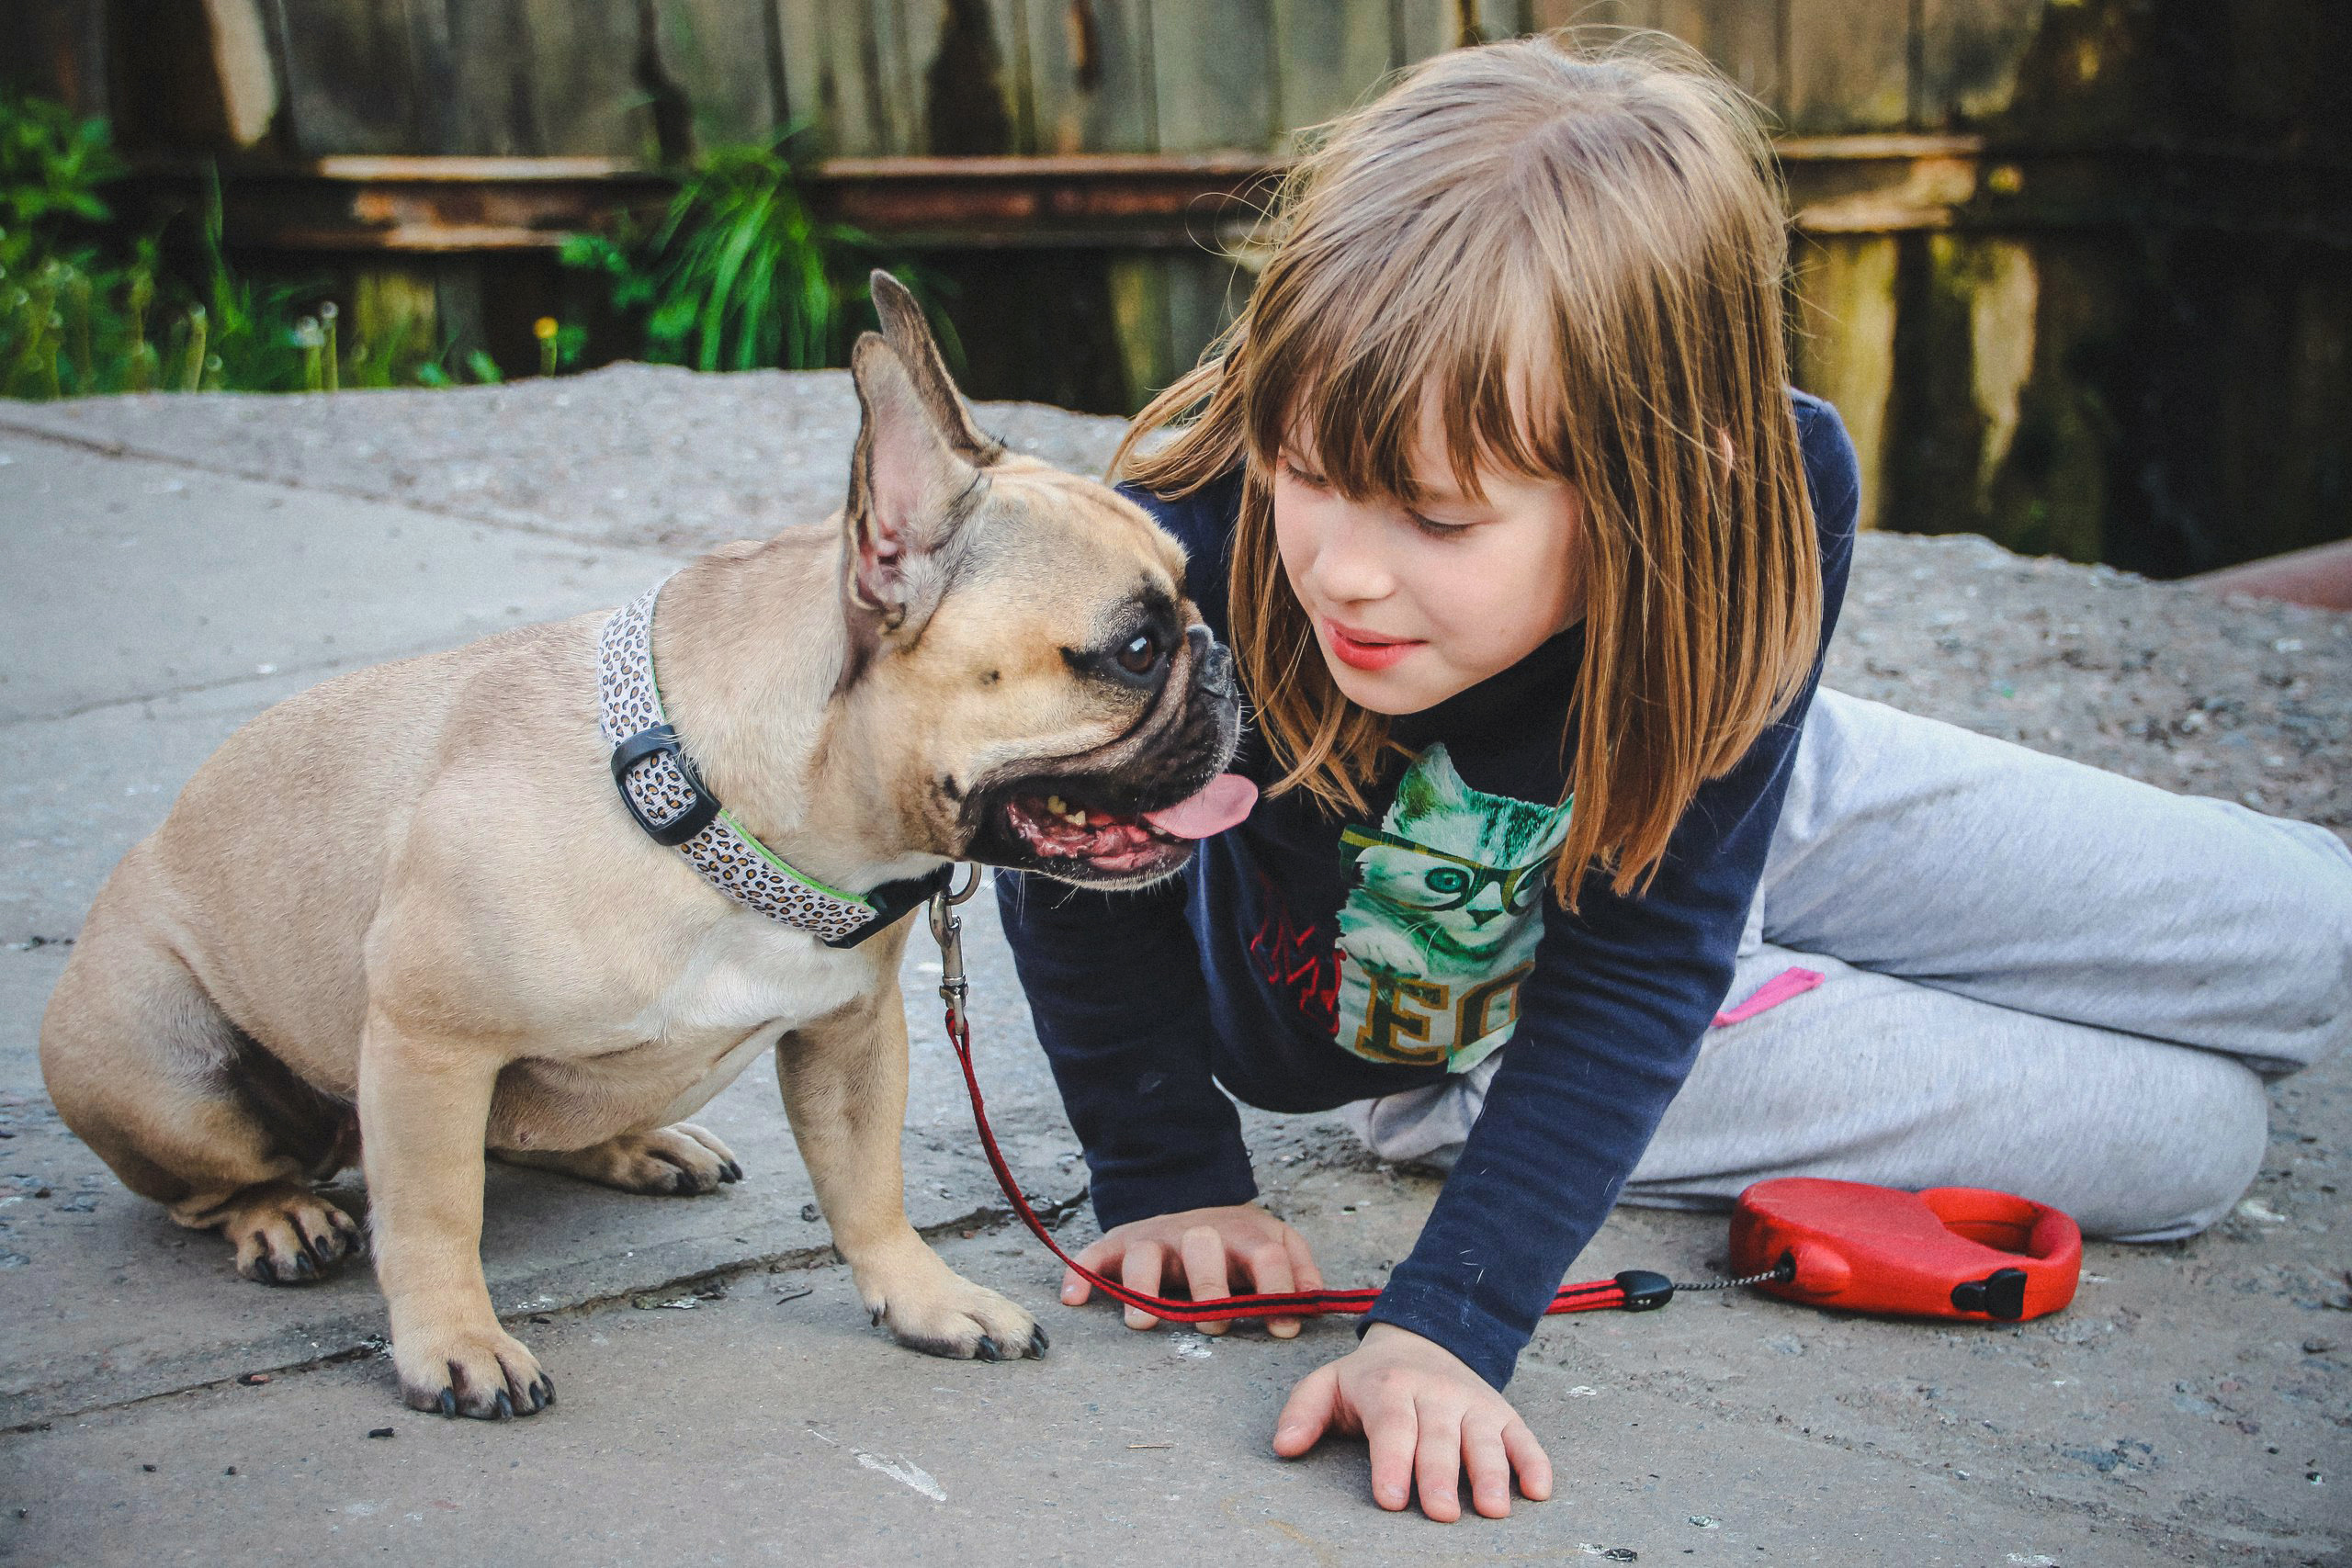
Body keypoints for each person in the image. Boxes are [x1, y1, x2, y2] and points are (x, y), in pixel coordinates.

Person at [993, 31, 2352, 1525]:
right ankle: (1462, 1115)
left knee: (2311, 929)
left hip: (1692, 791)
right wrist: (1195, 1185)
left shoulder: (1773, 487)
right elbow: (1062, 835)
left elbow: (1666, 922)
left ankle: (1804, 976)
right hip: (1452, 985)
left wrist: (1452, 1310)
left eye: (1440, 516)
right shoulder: (1177, 544)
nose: (1346, 572)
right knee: (2196, 1143)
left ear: (1667, 473)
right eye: (1307, 470)